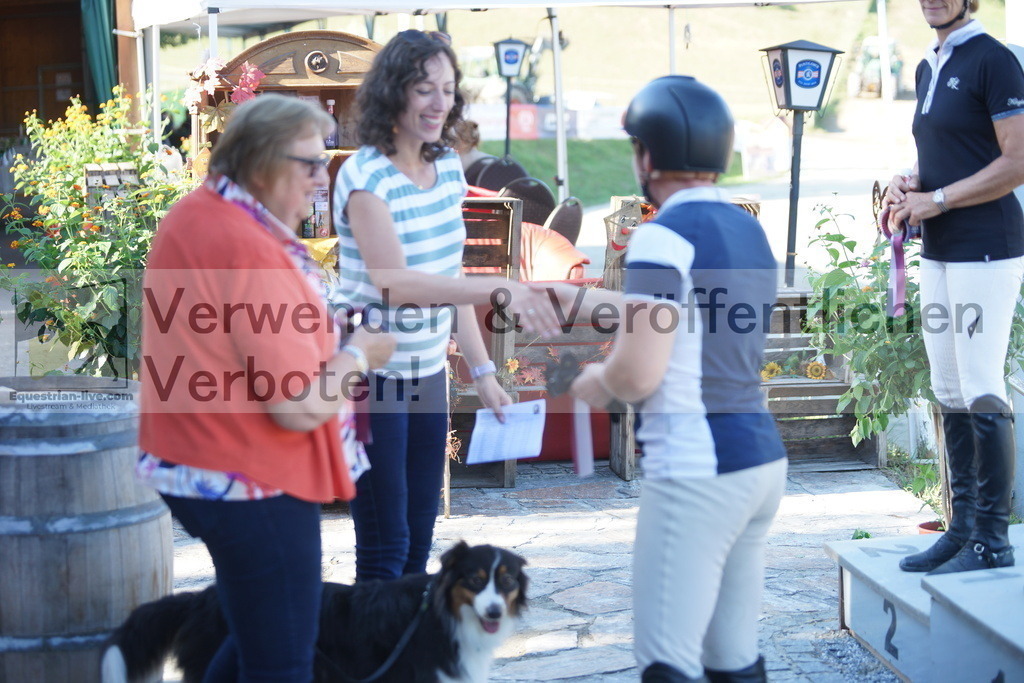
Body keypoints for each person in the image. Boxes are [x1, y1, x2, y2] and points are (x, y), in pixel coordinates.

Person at [138, 94, 395, 681]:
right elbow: (297, 407)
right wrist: (361, 353)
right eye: (309, 162)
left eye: (325, 160)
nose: (321, 177)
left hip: (205, 465)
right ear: (260, 163)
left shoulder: (202, 214)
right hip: (253, 479)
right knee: (281, 662)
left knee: (256, 635)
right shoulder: (246, 245)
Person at [556, 76, 787, 682]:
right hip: (759, 462)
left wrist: (597, 381)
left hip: (696, 468)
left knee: (668, 664)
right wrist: (580, 302)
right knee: (734, 659)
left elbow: (638, 371)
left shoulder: (660, 235)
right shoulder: (749, 229)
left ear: (648, 155)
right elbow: (694, 321)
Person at [331, 29, 561, 582]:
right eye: (424, 89)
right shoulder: (365, 177)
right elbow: (395, 284)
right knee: (385, 547)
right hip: (373, 378)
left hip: (428, 374)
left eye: (448, 89)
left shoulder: (448, 168)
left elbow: (450, 276)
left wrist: (483, 373)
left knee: (418, 536)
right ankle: (376, 662)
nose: (440, 103)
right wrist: (499, 290)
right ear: (393, 91)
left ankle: (405, 658)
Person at [883, 0, 1024, 575]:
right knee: (947, 385)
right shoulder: (927, 64)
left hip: (987, 248)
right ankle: (960, 527)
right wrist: (911, 182)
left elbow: (1016, 163)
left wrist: (935, 200)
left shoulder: (996, 60)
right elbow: (951, 154)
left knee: (983, 385)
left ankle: (993, 538)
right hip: (939, 250)